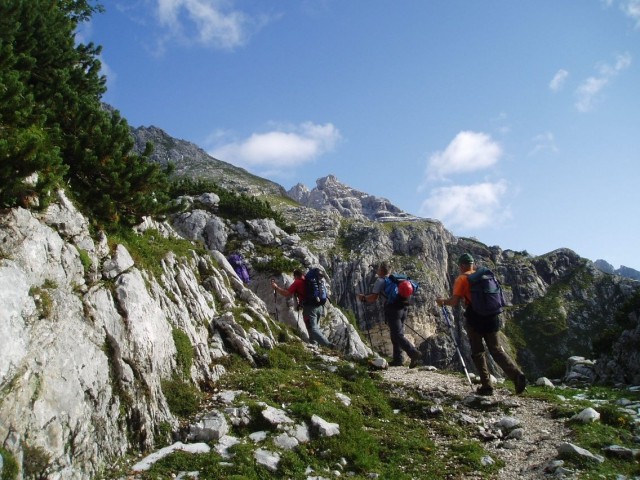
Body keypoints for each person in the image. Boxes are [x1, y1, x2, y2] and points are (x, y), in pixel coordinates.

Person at [436, 253, 526, 396]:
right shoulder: (485, 276)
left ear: (461, 265)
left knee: (478, 352)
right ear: (473, 264)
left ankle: (486, 386)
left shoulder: (462, 279)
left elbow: (454, 302)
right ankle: (517, 375)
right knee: (496, 349)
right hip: (492, 316)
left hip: (475, 317)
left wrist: (442, 302)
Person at [357, 262, 422, 368]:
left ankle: (413, 353)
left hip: (393, 310)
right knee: (395, 334)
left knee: (397, 335)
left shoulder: (381, 281)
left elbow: (373, 297)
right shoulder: (397, 279)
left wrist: (363, 298)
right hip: (404, 307)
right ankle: (398, 360)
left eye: (378, 269)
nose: (377, 271)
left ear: (381, 271)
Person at [271, 269, 333, 348]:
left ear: (296, 276)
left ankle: (328, 345)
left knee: (313, 328)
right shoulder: (308, 281)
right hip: (319, 306)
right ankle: (314, 345)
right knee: (313, 327)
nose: (294, 279)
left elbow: (287, 293)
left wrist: (276, 287)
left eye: (294, 277)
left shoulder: (298, 282)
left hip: (310, 308)